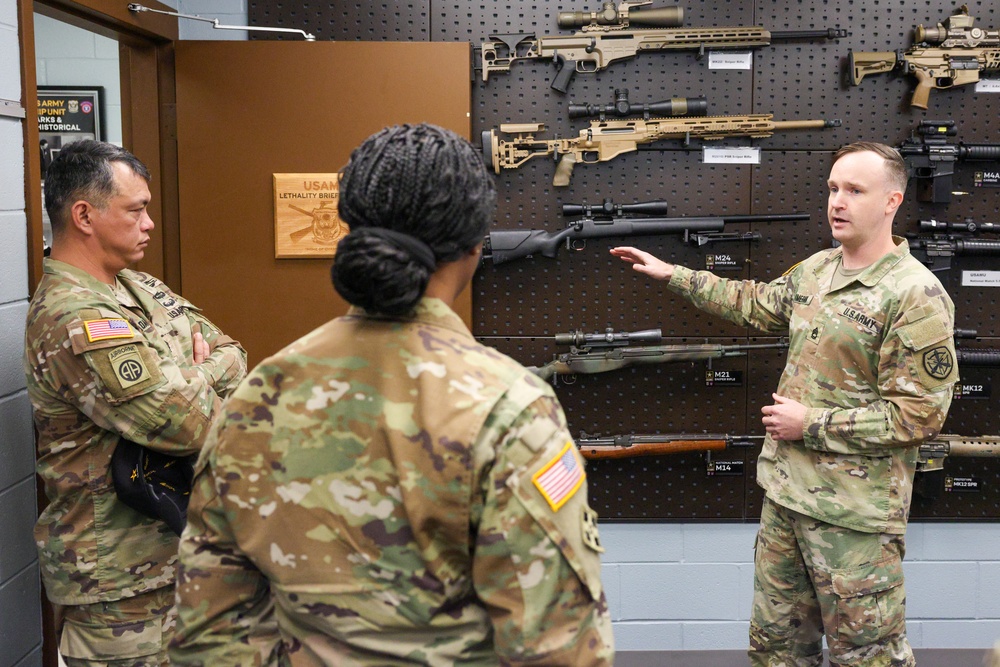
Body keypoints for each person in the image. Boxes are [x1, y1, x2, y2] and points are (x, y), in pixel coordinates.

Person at [169, 123, 615, 666]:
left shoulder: (259, 392)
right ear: (477, 245)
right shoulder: (507, 407)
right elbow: (558, 650)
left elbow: (206, 633)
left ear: (351, 227)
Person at [612, 142, 958, 666]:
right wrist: (674, 275)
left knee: (866, 656)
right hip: (786, 498)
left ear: (892, 201)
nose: (837, 202)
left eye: (854, 191)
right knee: (776, 651)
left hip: (854, 519)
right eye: (833, 189)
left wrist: (811, 424)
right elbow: (756, 304)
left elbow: (919, 416)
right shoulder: (818, 270)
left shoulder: (914, 295)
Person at [24, 140, 247, 666]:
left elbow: (235, 355)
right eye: (136, 209)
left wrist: (188, 376)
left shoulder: (137, 286)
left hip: (174, 557)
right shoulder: (73, 316)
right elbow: (185, 425)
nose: (149, 223)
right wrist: (195, 375)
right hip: (117, 586)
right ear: (84, 214)